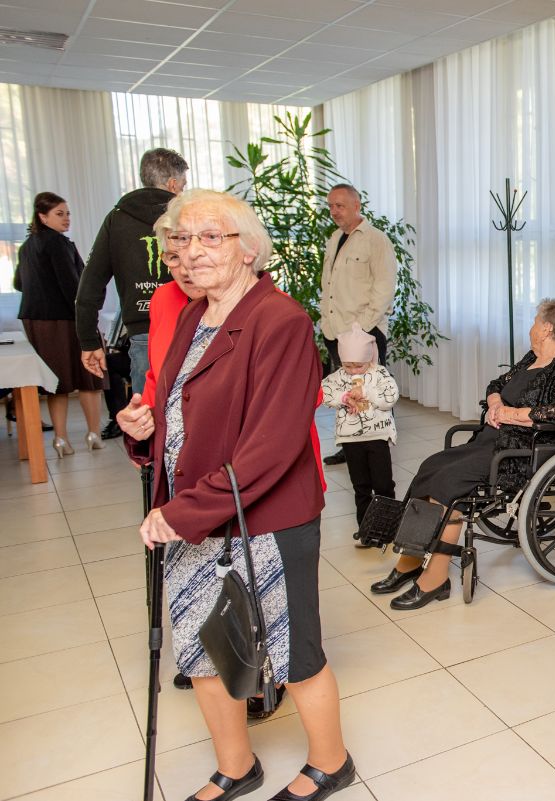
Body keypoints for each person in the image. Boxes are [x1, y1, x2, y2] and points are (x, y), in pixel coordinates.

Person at [117, 189, 354, 801]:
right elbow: (186, 416)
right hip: (194, 515)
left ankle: (331, 762)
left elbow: (270, 446)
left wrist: (182, 512)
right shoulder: (195, 316)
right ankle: (236, 766)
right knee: (199, 646)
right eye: (181, 240)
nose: (190, 252)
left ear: (248, 249)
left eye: (209, 237)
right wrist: (146, 432)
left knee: (292, 651)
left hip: (265, 518)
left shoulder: (281, 321)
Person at [370, 299, 555, 609]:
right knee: (430, 467)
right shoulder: (532, 358)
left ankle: (435, 579)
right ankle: (410, 561)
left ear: (546, 328)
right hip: (490, 441)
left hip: (520, 451)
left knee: (448, 484)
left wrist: (513, 414)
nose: (531, 327)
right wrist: (496, 403)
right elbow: (496, 384)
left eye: (534, 321)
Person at [77, 147, 188, 396]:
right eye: (183, 186)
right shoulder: (187, 217)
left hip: (142, 331)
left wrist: (89, 341)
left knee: (147, 409)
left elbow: (91, 282)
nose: (182, 192)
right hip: (191, 324)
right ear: (172, 184)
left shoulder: (117, 219)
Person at [14, 192, 106, 456]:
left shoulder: (27, 246)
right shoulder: (58, 243)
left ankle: (60, 439)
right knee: (90, 374)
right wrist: (88, 319)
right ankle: (94, 434)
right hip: (64, 319)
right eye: (59, 214)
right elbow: (72, 286)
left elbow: (18, 284)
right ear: (42, 217)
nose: (66, 219)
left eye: (68, 213)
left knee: (56, 380)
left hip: (36, 321)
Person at [318, 183, 397, 467]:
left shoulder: (376, 239)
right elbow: (328, 283)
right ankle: (350, 445)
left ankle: (378, 445)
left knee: (373, 389)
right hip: (335, 329)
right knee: (346, 390)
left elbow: (385, 288)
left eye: (339, 205)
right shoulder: (335, 238)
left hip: (364, 332)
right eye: (330, 206)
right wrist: (325, 319)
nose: (334, 211)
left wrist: (362, 328)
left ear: (356, 206)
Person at [320, 324, 398, 532]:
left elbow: (390, 398)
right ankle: (365, 529)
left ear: (369, 359)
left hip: (377, 437)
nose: (353, 371)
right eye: (348, 366)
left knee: (383, 485)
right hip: (351, 440)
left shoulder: (380, 374)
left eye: (358, 366)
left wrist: (367, 392)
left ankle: (388, 526)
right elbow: (324, 393)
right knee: (361, 486)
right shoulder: (338, 377)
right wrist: (343, 397)